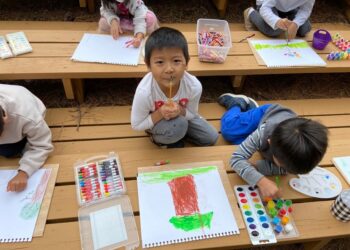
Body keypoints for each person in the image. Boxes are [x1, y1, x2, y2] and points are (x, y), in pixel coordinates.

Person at [218, 93, 328, 198]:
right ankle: (238, 103)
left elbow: (286, 169)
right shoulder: (263, 133)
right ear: (270, 142)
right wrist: (261, 181)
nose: (286, 171)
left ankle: (249, 116)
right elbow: (236, 159)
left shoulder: (305, 154)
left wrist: (258, 166)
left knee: (241, 140)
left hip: (282, 127)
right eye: (282, 166)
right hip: (267, 113)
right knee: (229, 131)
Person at [131, 27, 219, 148]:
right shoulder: (145, 92)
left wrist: (180, 110)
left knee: (211, 137)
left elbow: (192, 114)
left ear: (186, 63)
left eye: (176, 61)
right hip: (156, 120)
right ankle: (159, 137)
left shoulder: (194, 86)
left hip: (182, 117)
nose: (169, 69)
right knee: (178, 127)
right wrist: (160, 113)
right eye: (160, 62)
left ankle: (178, 133)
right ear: (148, 65)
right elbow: (136, 125)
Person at [0, 84, 53, 192]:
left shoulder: (26, 116)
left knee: (9, 151)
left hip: (25, 123)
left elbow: (42, 146)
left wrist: (24, 172)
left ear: (5, 118)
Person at [243, 0, 315, 40]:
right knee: (274, 31)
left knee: (305, 29)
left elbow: (305, 10)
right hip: (266, 5)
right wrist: (277, 21)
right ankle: (250, 13)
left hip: (289, 8)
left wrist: (296, 24)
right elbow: (265, 9)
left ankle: (282, 17)